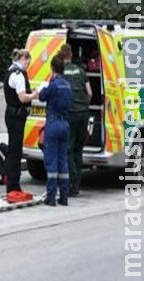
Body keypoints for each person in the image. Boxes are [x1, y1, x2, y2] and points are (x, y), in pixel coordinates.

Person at [4, 48, 39, 203]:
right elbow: (23, 97)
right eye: (28, 62)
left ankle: (12, 183)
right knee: (15, 150)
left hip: (11, 114)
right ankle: (13, 186)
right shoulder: (18, 76)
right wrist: (35, 95)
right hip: (17, 115)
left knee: (14, 149)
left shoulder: (10, 71)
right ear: (23, 59)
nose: (28, 66)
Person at [39, 54, 73, 206]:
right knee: (63, 161)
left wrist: (46, 84)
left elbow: (42, 96)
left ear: (52, 68)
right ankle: (64, 196)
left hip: (53, 124)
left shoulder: (53, 85)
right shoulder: (67, 85)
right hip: (65, 124)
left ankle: (51, 197)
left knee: (51, 161)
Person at [61, 44, 91, 197]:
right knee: (78, 149)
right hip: (84, 113)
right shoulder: (80, 70)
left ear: (61, 56)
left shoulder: (61, 72)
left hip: (71, 114)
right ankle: (77, 183)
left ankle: (72, 183)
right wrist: (83, 104)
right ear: (71, 55)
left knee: (68, 149)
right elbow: (90, 93)